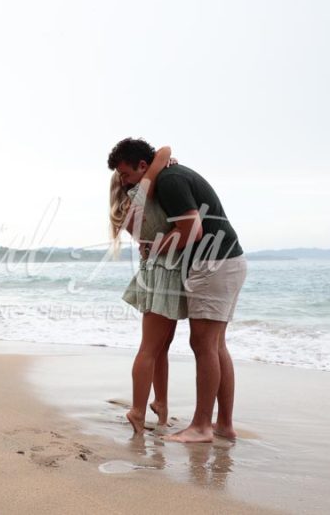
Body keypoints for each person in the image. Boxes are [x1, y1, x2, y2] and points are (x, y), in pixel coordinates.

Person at [109, 137, 247, 443]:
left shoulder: (170, 180)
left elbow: (192, 230)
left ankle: (201, 427)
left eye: (127, 174)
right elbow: (164, 153)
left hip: (213, 262)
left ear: (143, 166)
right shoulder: (169, 174)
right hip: (228, 260)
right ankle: (223, 425)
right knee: (215, 345)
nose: (124, 181)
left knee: (205, 345)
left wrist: (154, 247)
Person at [108, 144, 186, 434]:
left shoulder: (128, 207)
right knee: (151, 348)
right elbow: (165, 149)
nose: (127, 179)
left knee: (160, 347)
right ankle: (138, 410)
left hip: (155, 272)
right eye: (124, 176)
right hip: (166, 273)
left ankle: (160, 405)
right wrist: (163, 164)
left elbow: (145, 239)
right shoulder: (143, 194)